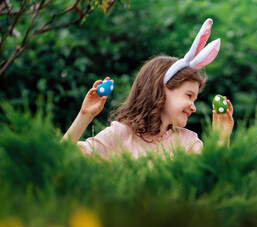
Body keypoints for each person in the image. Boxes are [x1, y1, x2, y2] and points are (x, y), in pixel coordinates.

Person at [62, 18, 234, 159]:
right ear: (162, 89)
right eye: (189, 95)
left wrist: (221, 138)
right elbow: (62, 157)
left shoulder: (188, 143)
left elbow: (213, 182)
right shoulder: (118, 135)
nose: (193, 106)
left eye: (194, 99)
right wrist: (85, 115)